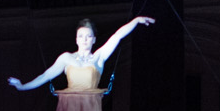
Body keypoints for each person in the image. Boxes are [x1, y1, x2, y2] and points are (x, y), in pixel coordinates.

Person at [8, 14, 154, 95]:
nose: (84, 40)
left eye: (88, 36)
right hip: (69, 109)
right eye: (81, 36)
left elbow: (117, 36)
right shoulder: (66, 58)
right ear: (76, 39)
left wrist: (135, 21)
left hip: (90, 109)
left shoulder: (99, 57)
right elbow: (45, 76)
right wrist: (22, 86)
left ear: (94, 39)